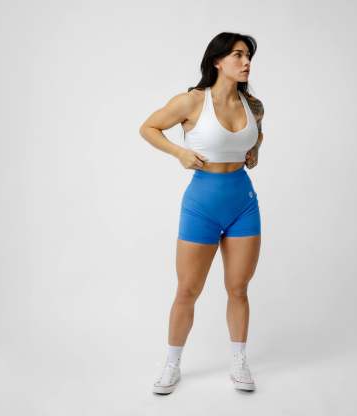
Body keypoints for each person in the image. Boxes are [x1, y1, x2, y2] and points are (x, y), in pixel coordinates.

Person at [139, 32, 264, 394]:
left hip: (243, 204)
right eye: (238, 55)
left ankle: (239, 360)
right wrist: (179, 153)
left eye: (248, 56)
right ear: (217, 61)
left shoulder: (253, 105)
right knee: (187, 290)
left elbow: (257, 135)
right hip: (202, 206)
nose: (246, 62)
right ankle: (171, 364)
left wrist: (254, 150)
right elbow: (148, 127)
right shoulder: (192, 101)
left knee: (238, 288)